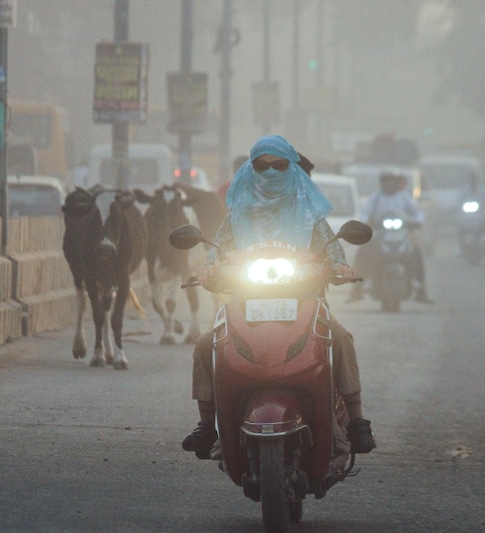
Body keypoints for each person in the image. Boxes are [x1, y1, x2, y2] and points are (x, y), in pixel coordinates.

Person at [181, 135, 376, 458]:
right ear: (250, 169)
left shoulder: (310, 215)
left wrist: (341, 268)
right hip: (245, 304)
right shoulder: (236, 215)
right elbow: (216, 257)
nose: (270, 172)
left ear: (292, 169)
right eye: (261, 165)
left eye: (279, 165)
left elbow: (332, 250)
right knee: (206, 344)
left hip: (307, 302)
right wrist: (208, 271)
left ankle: (356, 420)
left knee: (341, 338)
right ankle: (207, 425)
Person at [346, 171, 433, 304]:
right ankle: (356, 290)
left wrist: (417, 221)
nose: (389, 185)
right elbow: (364, 214)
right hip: (378, 235)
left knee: (416, 254)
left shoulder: (404, 197)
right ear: (382, 184)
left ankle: (421, 291)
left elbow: (417, 213)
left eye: (391, 182)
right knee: (363, 253)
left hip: (401, 234)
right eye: (386, 182)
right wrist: (367, 222)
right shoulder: (375, 198)